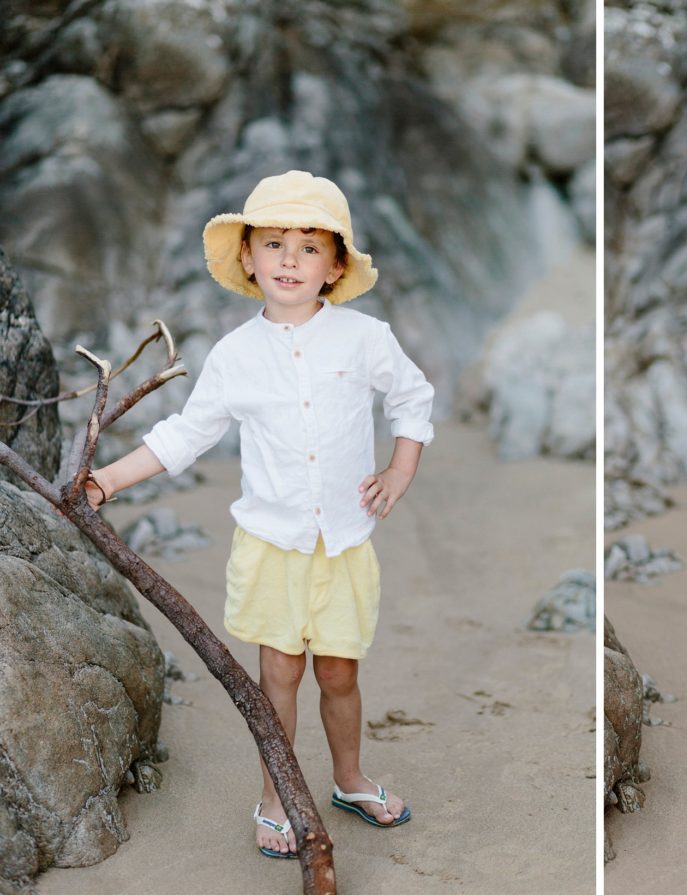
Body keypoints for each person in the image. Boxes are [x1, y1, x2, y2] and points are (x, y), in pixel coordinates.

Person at [85, 170, 435, 857]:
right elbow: (185, 434)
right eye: (274, 243)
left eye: (309, 248)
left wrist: (400, 468)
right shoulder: (236, 355)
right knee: (278, 675)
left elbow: (413, 399)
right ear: (247, 255)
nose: (289, 260)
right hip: (273, 544)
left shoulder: (364, 337)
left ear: (335, 266)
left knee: (340, 673)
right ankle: (277, 792)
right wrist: (108, 480)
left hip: (343, 545)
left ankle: (350, 776)